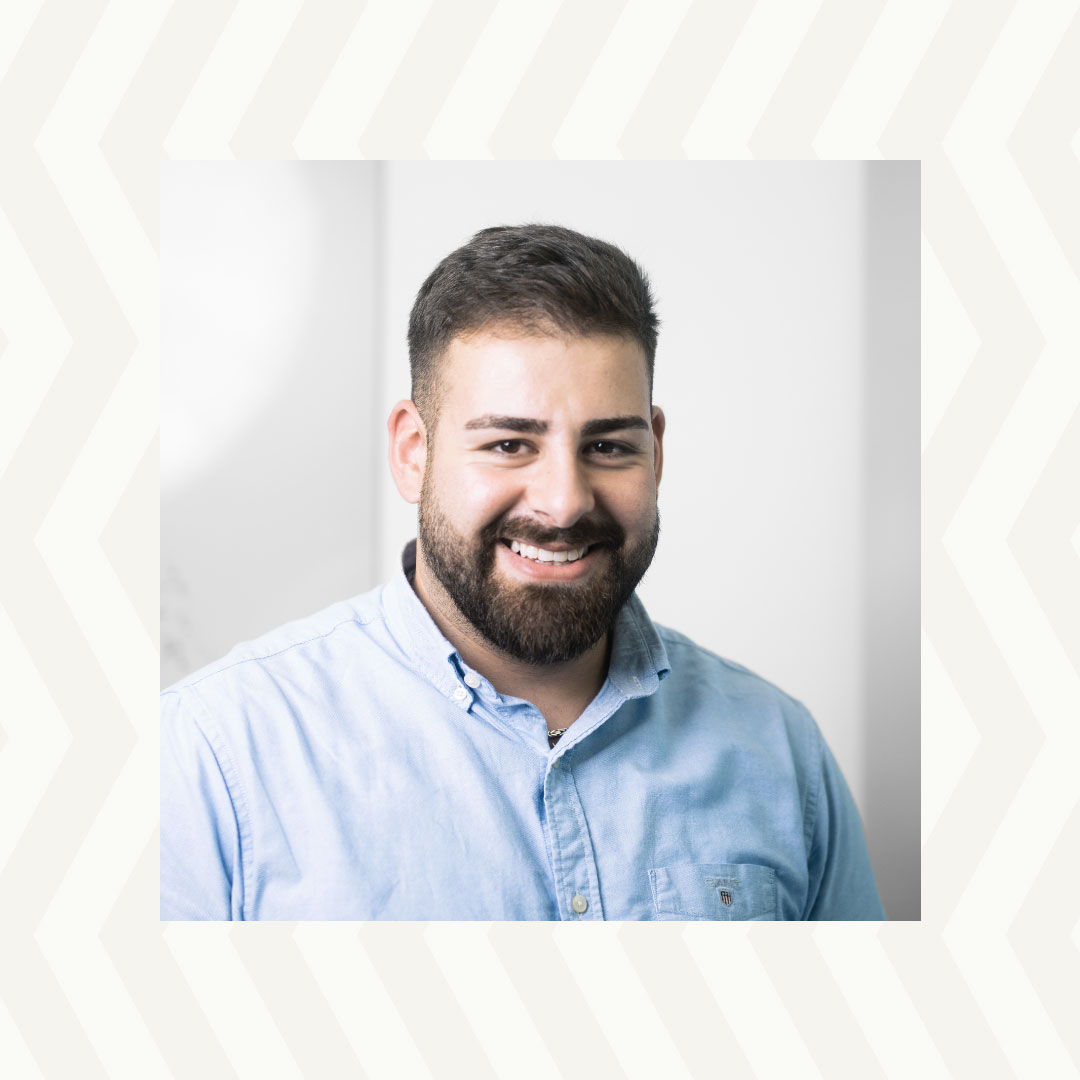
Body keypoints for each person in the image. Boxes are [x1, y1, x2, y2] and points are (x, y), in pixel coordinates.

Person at [160, 224, 886, 921]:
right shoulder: (214, 756)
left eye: (608, 447)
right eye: (509, 444)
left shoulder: (780, 750)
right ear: (413, 452)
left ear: (656, 453)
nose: (564, 503)